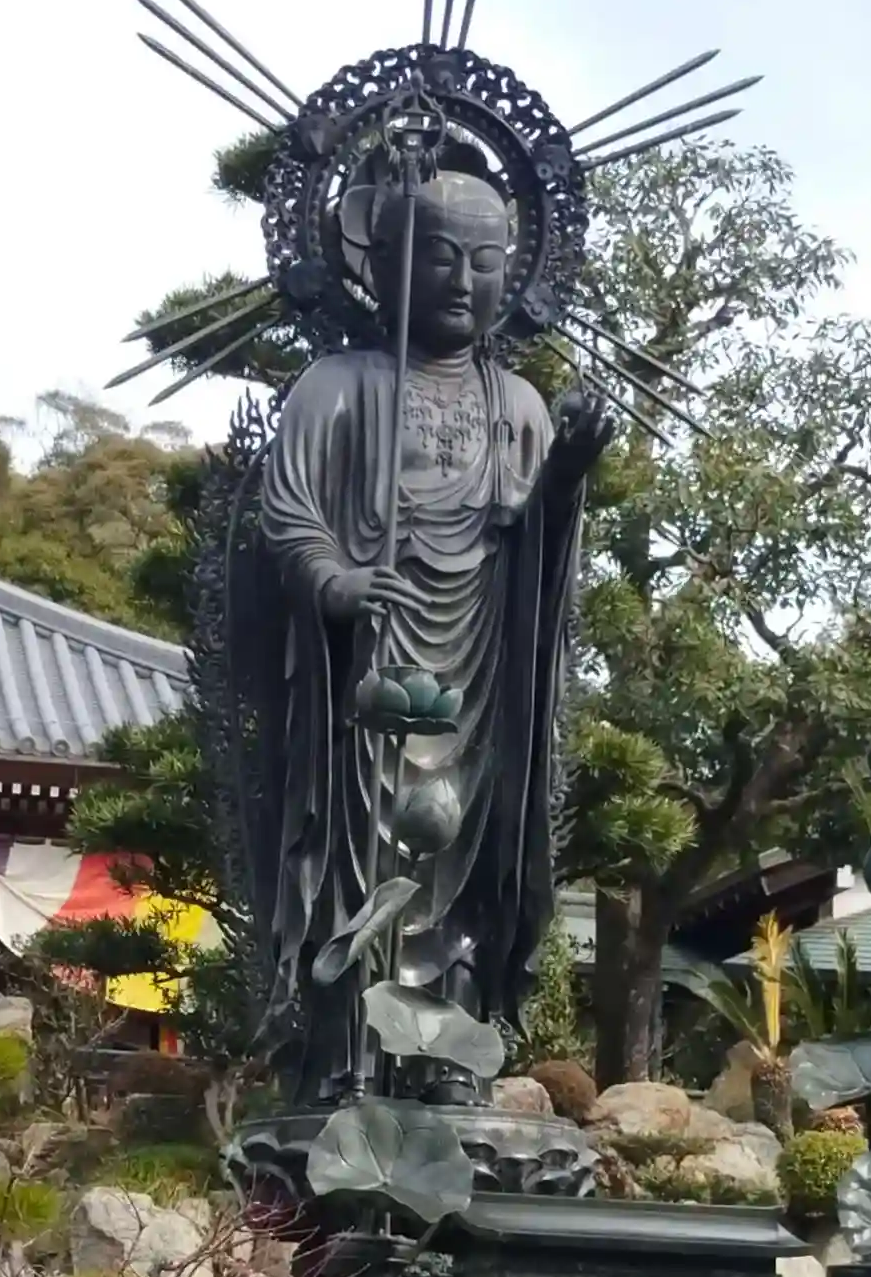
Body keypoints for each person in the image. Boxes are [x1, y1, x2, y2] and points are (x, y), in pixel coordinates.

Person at [249, 168, 613, 1107]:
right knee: (362, 858)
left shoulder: (520, 404)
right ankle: (348, 1056)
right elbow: (288, 509)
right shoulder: (337, 386)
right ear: (383, 264)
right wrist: (334, 580)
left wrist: (566, 472)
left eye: (485, 261)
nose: (462, 280)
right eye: (439, 256)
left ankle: (449, 1056)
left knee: (465, 854)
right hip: (371, 663)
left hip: (482, 662)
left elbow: (535, 543)